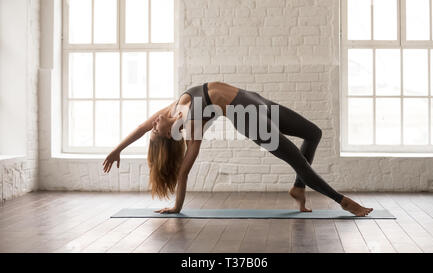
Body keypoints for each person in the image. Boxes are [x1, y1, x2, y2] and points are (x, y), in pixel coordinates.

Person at [103, 82, 373, 216]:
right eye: (154, 131)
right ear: (167, 136)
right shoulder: (192, 128)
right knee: (297, 161)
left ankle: (298, 188)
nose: (153, 124)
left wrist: (118, 149)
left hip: (257, 101)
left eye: (153, 127)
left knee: (313, 133)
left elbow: (140, 127)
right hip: (248, 117)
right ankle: (343, 202)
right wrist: (176, 207)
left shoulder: (172, 109)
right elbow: (184, 173)